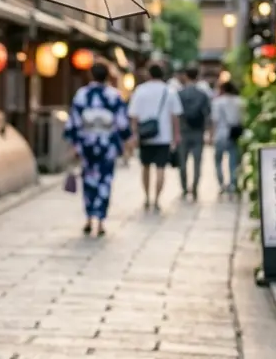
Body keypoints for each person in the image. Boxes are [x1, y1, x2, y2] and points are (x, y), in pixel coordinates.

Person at [64, 62, 131, 237]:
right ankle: (100, 221)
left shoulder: (82, 95)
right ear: (108, 76)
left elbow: (74, 122)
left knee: (88, 181)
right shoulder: (114, 96)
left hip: (87, 144)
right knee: (105, 182)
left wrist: (74, 144)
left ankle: (88, 218)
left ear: (91, 75)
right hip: (107, 145)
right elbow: (122, 124)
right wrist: (125, 141)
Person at [128, 63, 182, 212]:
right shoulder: (170, 91)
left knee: (145, 167)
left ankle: (147, 197)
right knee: (160, 168)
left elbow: (134, 116)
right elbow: (175, 116)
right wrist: (176, 134)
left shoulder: (140, 90)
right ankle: (157, 199)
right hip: (164, 136)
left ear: (148, 74)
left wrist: (134, 134)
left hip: (145, 135)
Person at [176, 65, 212, 201]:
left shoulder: (179, 94)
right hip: (198, 131)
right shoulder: (203, 95)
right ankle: (195, 188)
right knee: (197, 162)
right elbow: (208, 114)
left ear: (185, 76)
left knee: (182, 163)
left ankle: (185, 189)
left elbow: (176, 114)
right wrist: (209, 132)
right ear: (198, 76)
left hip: (183, 131)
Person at [212, 80, 244, 196]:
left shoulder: (217, 102)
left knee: (218, 160)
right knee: (233, 160)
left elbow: (214, 121)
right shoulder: (240, 101)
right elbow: (242, 119)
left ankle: (221, 183)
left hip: (220, 134)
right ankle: (233, 183)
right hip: (234, 134)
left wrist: (211, 136)